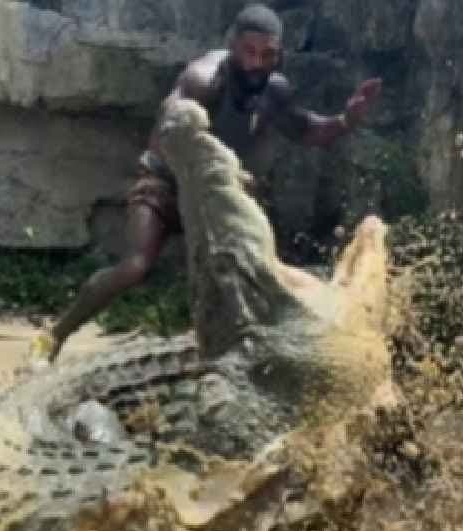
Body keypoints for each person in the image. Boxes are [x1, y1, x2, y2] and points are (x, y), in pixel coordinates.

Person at [48, 3, 382, 362]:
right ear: (233, 45)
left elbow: (306, 130)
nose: (256, 63)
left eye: (266, 54)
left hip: (220, 193)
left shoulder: (274, 90)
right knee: (134, 266)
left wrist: (346, 119)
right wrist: (197, 156)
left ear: (278, 54)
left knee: (255, 270)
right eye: (249, 51)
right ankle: (54, 335)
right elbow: (168, 126)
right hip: (167, 182)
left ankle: (250, 355)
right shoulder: (203, 79)